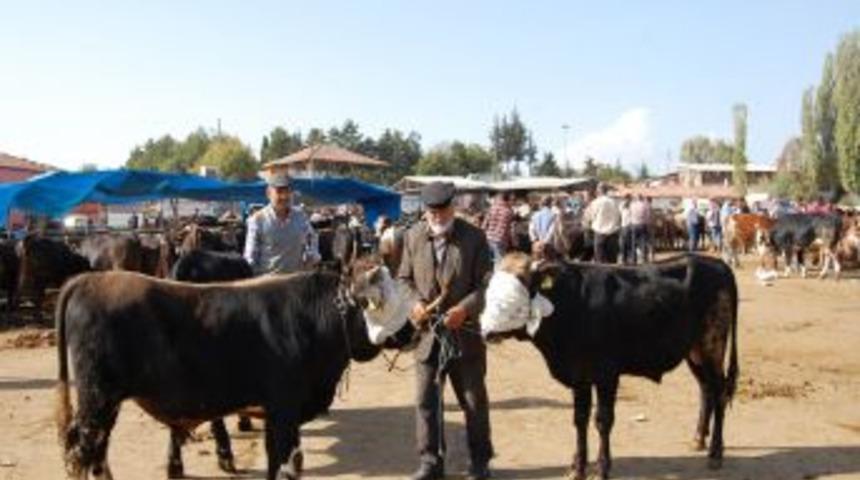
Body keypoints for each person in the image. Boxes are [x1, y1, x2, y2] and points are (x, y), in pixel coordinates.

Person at [398, 182, 494, 480]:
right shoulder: (412, 236)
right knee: (426, 401)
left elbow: (486, 284)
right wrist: (413, 304)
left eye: (442, 210)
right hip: (427, 336)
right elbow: (403, 279)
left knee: (473, 401)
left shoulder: (475, 238)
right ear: (424, 211)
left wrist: (465, 308)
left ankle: (480, 463)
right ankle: (430, 462)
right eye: (431, 211)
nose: (437, 216)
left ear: (453, 206)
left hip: (464, 335)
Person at [243, 171, 320, 276]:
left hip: (296, 282)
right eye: (279, 192)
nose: (284, 197)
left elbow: (312, 237)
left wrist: (312, 256)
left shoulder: (300, 216)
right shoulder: (257, 220)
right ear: (268, 193)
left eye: (287, 192)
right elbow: (250, 257)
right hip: (268, 284)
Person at [584, 183, 621, 263]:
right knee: (612, 261)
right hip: (613, 233)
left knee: (600, 261)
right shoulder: (614, 202)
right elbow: (618, 217)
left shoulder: (595, 202)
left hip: (600, 234)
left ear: (599, 191)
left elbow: (590, 218)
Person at [482, 192, 515, 262]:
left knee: (487, 261)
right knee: (500, 261)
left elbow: (485, 223)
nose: (513, 202)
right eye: (512, 200)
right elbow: (511, 229)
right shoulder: (509, 211)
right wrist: (514, 241)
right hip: (500, 239)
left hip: (488, 237)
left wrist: (483, 234)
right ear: (508, 200)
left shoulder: (492, 208)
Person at [629, 194, 651, 264]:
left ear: (636, 198)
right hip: (642, 224)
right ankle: (644, 259)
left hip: (634, 224)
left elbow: (630, 214)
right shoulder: (645, 205)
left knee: (633, 242)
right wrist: (647, 225)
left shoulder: (632, 205)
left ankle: (633, 259)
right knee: (643, 242)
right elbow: (648, 216)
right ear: (642, 198)